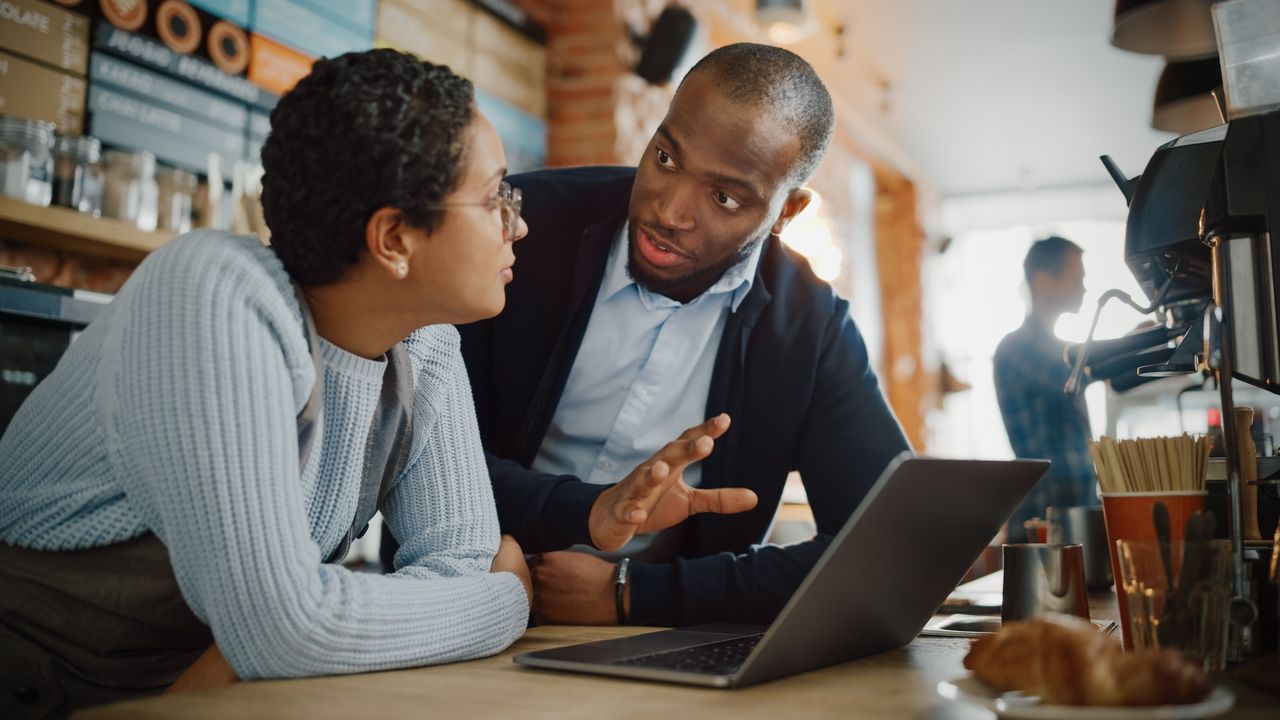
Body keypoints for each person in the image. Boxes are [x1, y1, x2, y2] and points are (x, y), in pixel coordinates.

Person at [0, 49, 739, 716]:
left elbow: (444, 564)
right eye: (493, 201)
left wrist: (291, 631)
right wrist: (508, 597)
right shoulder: (212, 297)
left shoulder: (427, 346)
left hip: (211, 693)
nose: (517, 227)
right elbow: (288, 630)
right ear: (394, 240)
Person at [435, 42, 912, 627]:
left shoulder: (810, 328)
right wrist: (585, 513)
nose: (670, 211)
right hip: (458, 606)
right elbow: (425, 451)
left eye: (724, 197)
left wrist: (634, 592)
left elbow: (889, 552)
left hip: (661, 642)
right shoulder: (524, 231)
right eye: (665, 157)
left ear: (786, 213)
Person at [994, 236, 1097, 542]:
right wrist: (1131, 347)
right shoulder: (1016, 347)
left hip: (1073, 513)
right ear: (1042, 280)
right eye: (1076, 278)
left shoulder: (1058, 347)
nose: (1083, 288)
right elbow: (1072, 375)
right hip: (1043, 519)